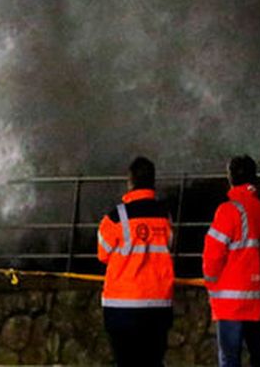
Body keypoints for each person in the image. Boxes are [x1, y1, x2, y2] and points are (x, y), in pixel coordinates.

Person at [97, 156, 175, 366]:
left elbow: (103, 254)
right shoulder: (164, 216)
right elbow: (169, 243)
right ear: (153, 181)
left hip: (121, 308)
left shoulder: (115, 218)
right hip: (158, 305)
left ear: (130, 181)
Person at [203, 155, 260, 367]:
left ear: (230, 177)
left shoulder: (228, 210)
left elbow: (212, 256)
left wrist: (212, 284)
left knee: (230, 359)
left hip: (230, 303)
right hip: (258, 300)